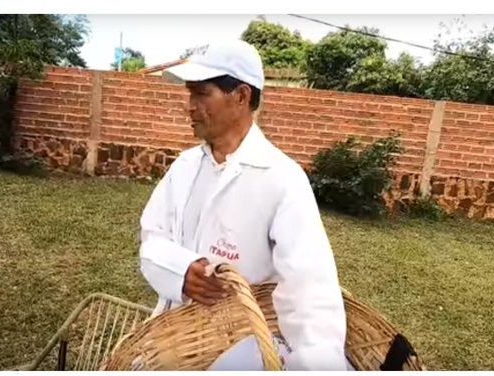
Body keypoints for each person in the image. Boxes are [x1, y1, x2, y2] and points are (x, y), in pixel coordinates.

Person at [138, 39, 349, 371]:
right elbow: (152, 238)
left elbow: (310, 297)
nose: (189, 106)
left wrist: (317, 362)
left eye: (201, 94)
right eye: (189, 94)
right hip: (172, 341)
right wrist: (181, 271)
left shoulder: (283, 179)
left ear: (241, 96)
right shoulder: (185, 166)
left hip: (238, 351)